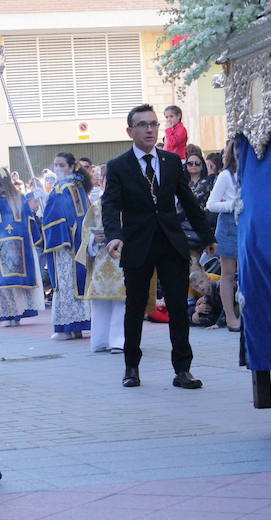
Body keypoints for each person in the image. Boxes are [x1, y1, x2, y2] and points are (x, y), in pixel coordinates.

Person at [101, 103, 217, 389]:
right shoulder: (118, 166)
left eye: (153, 124)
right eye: (142, 124)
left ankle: (182, 370)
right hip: (138, 245)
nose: (149, 129)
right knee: (135, 307)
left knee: (178, 307)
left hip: (171, 244)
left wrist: (207, 238)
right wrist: (115, 235)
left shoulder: (170, 162)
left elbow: (189, 203)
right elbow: (110, 205)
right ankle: (131, 367)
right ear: (130, 131)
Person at [0, 169, 44, 326]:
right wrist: (38, 240)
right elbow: (31, 221)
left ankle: (6, 317)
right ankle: (18, 315)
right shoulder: (19, 197)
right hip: (20, 245)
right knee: (18, 283)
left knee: (3, 285)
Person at [42, 152, 92, 339]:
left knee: (65, 284)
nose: (57, 169)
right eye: (55, 165)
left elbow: (54, 217)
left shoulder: (62, 188)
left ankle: (67, 328)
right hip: (80, 242)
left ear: (71, 167)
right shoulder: (79, 186)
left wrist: (44, 214)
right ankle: (77, 326)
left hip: (65, 245)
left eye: (61, 165)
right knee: (75, 283)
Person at [76, 170, 126, 353]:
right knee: (99, 302)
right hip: (100, 259)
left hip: (122, 258)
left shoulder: (129, 205)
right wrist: (93, 240)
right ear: (102, 183)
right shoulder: (96, 207)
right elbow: (85, 232)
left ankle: (118, 341)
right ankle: (100, 340)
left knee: (122, 301)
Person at [205, 139, 241, 331]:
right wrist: (232, 205)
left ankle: (247, 314)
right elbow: (211, 204)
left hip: (248, 223)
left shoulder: (253, 171)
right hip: (229, 225)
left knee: (250, 272)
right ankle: (230, 317)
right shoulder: (226, 176)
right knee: (227, 273)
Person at [181, 151, 212, 270]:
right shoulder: (183, 183)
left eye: (197, 163)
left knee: (195, 259)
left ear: (202, 165)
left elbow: (191, 201)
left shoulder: (206, 182)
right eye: (190, 163)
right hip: (182, 222)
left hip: (199, 223)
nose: (193, 165)